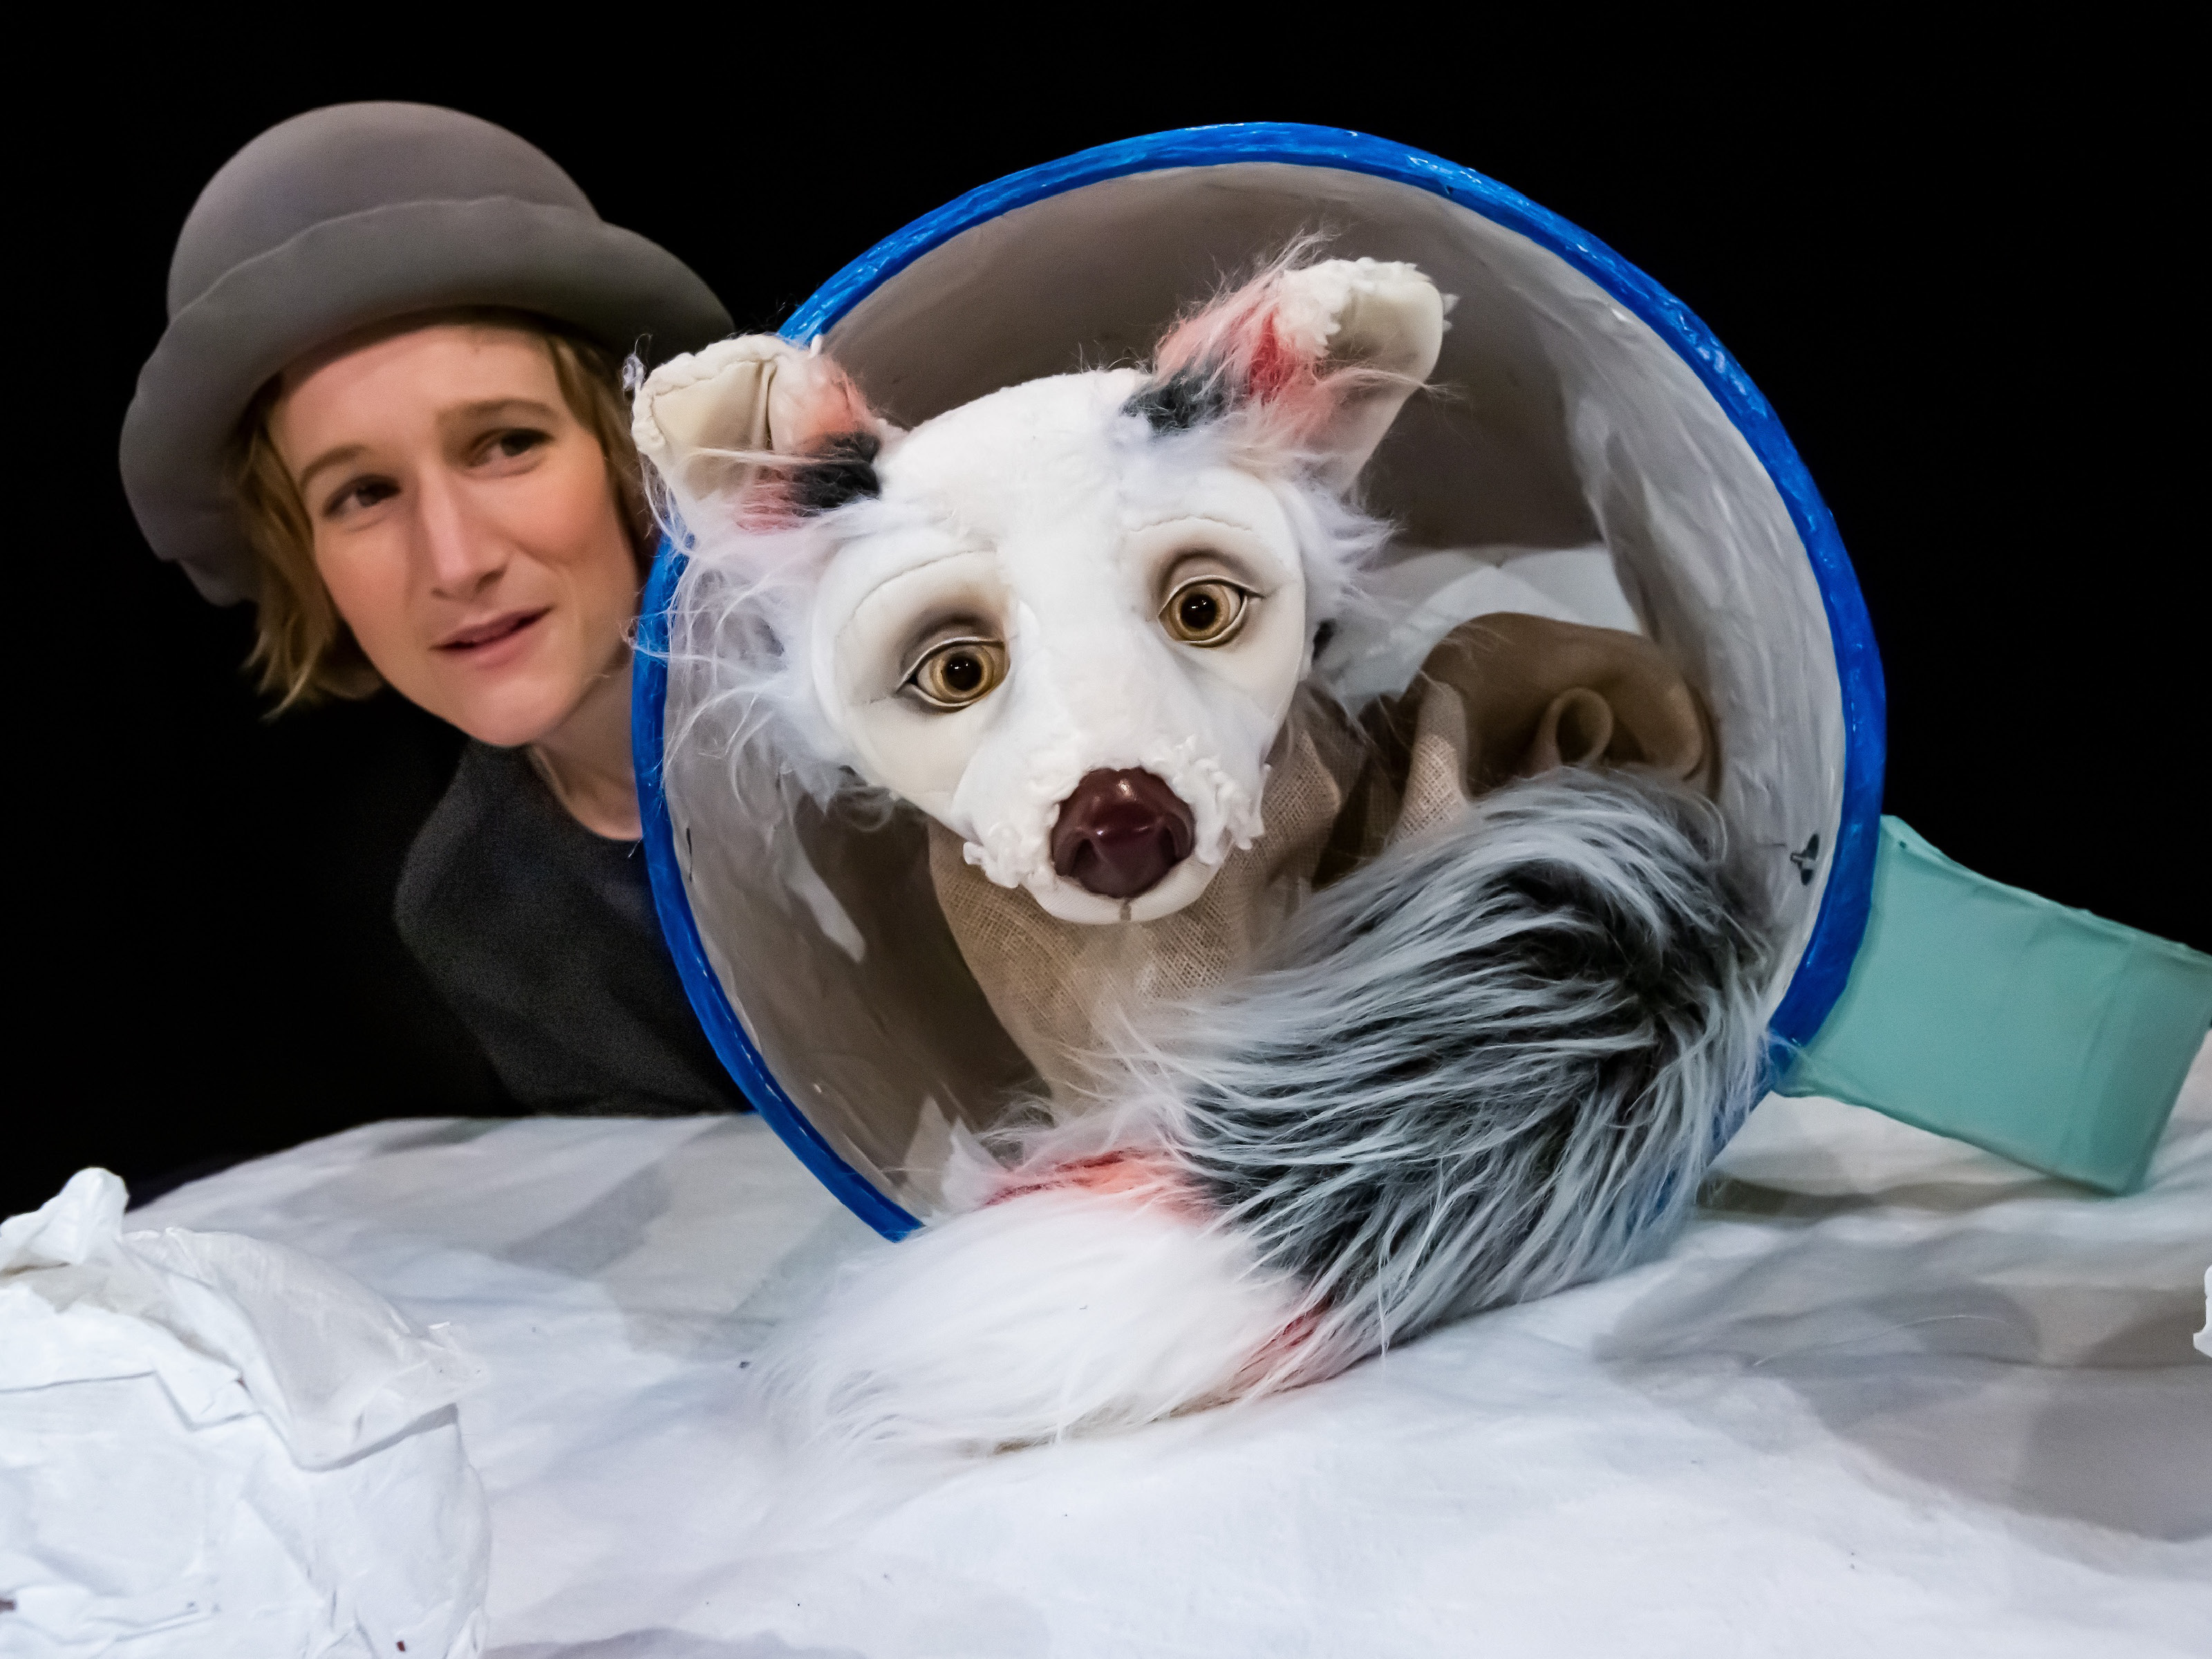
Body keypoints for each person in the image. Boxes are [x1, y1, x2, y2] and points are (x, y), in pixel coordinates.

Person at [120, 102, 747, 1116]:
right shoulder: (475, 908)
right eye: (362, 495)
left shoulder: (889, 730)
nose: (454, 561)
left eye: (505, 443)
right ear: (307, 562)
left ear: (632, 459)